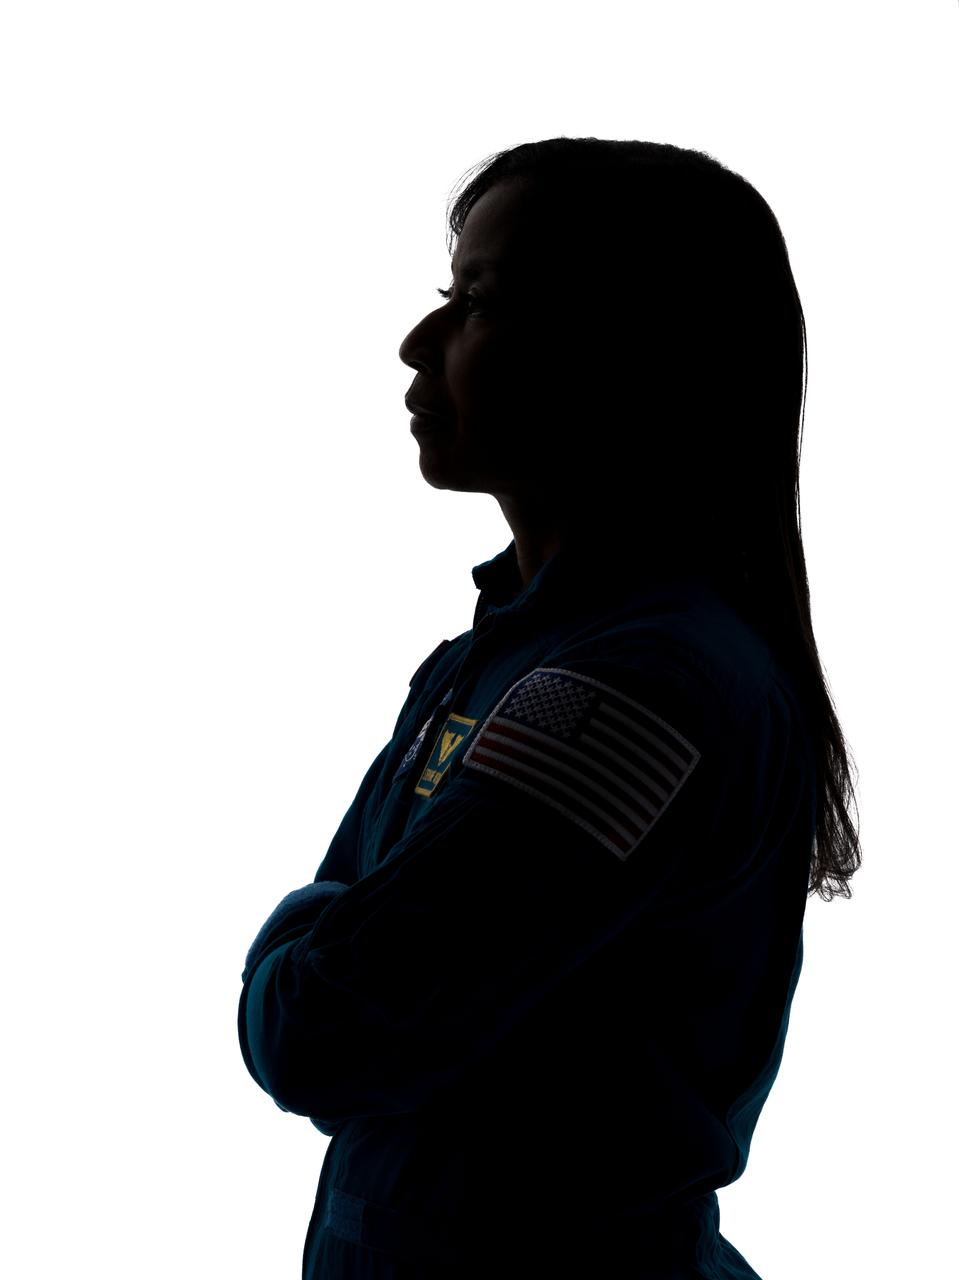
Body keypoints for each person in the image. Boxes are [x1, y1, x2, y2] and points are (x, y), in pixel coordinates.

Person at [237, 137, 862, 1278]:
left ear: (629, 355)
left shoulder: (631, 692)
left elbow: (324, 1029)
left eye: (478, 302)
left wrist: (297, 936)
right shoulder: (507, 655)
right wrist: (332, 937)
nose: (418, 342)